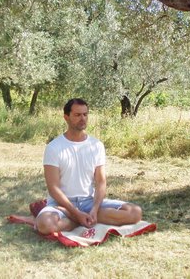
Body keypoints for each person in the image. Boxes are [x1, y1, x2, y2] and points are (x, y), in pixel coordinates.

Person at [35, 98, 142, 235]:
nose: (83, 118)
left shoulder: (96, 145)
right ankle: (76, 219)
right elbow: (53, 188)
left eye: (85, 114)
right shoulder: (54, 148)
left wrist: (95, 209)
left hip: (88, 202)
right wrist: (75, 213)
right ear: (66, 117)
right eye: (77, 115)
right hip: (61, 204)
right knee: (45, 224)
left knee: (135, 212)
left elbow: (100, 181)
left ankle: (86, 217)